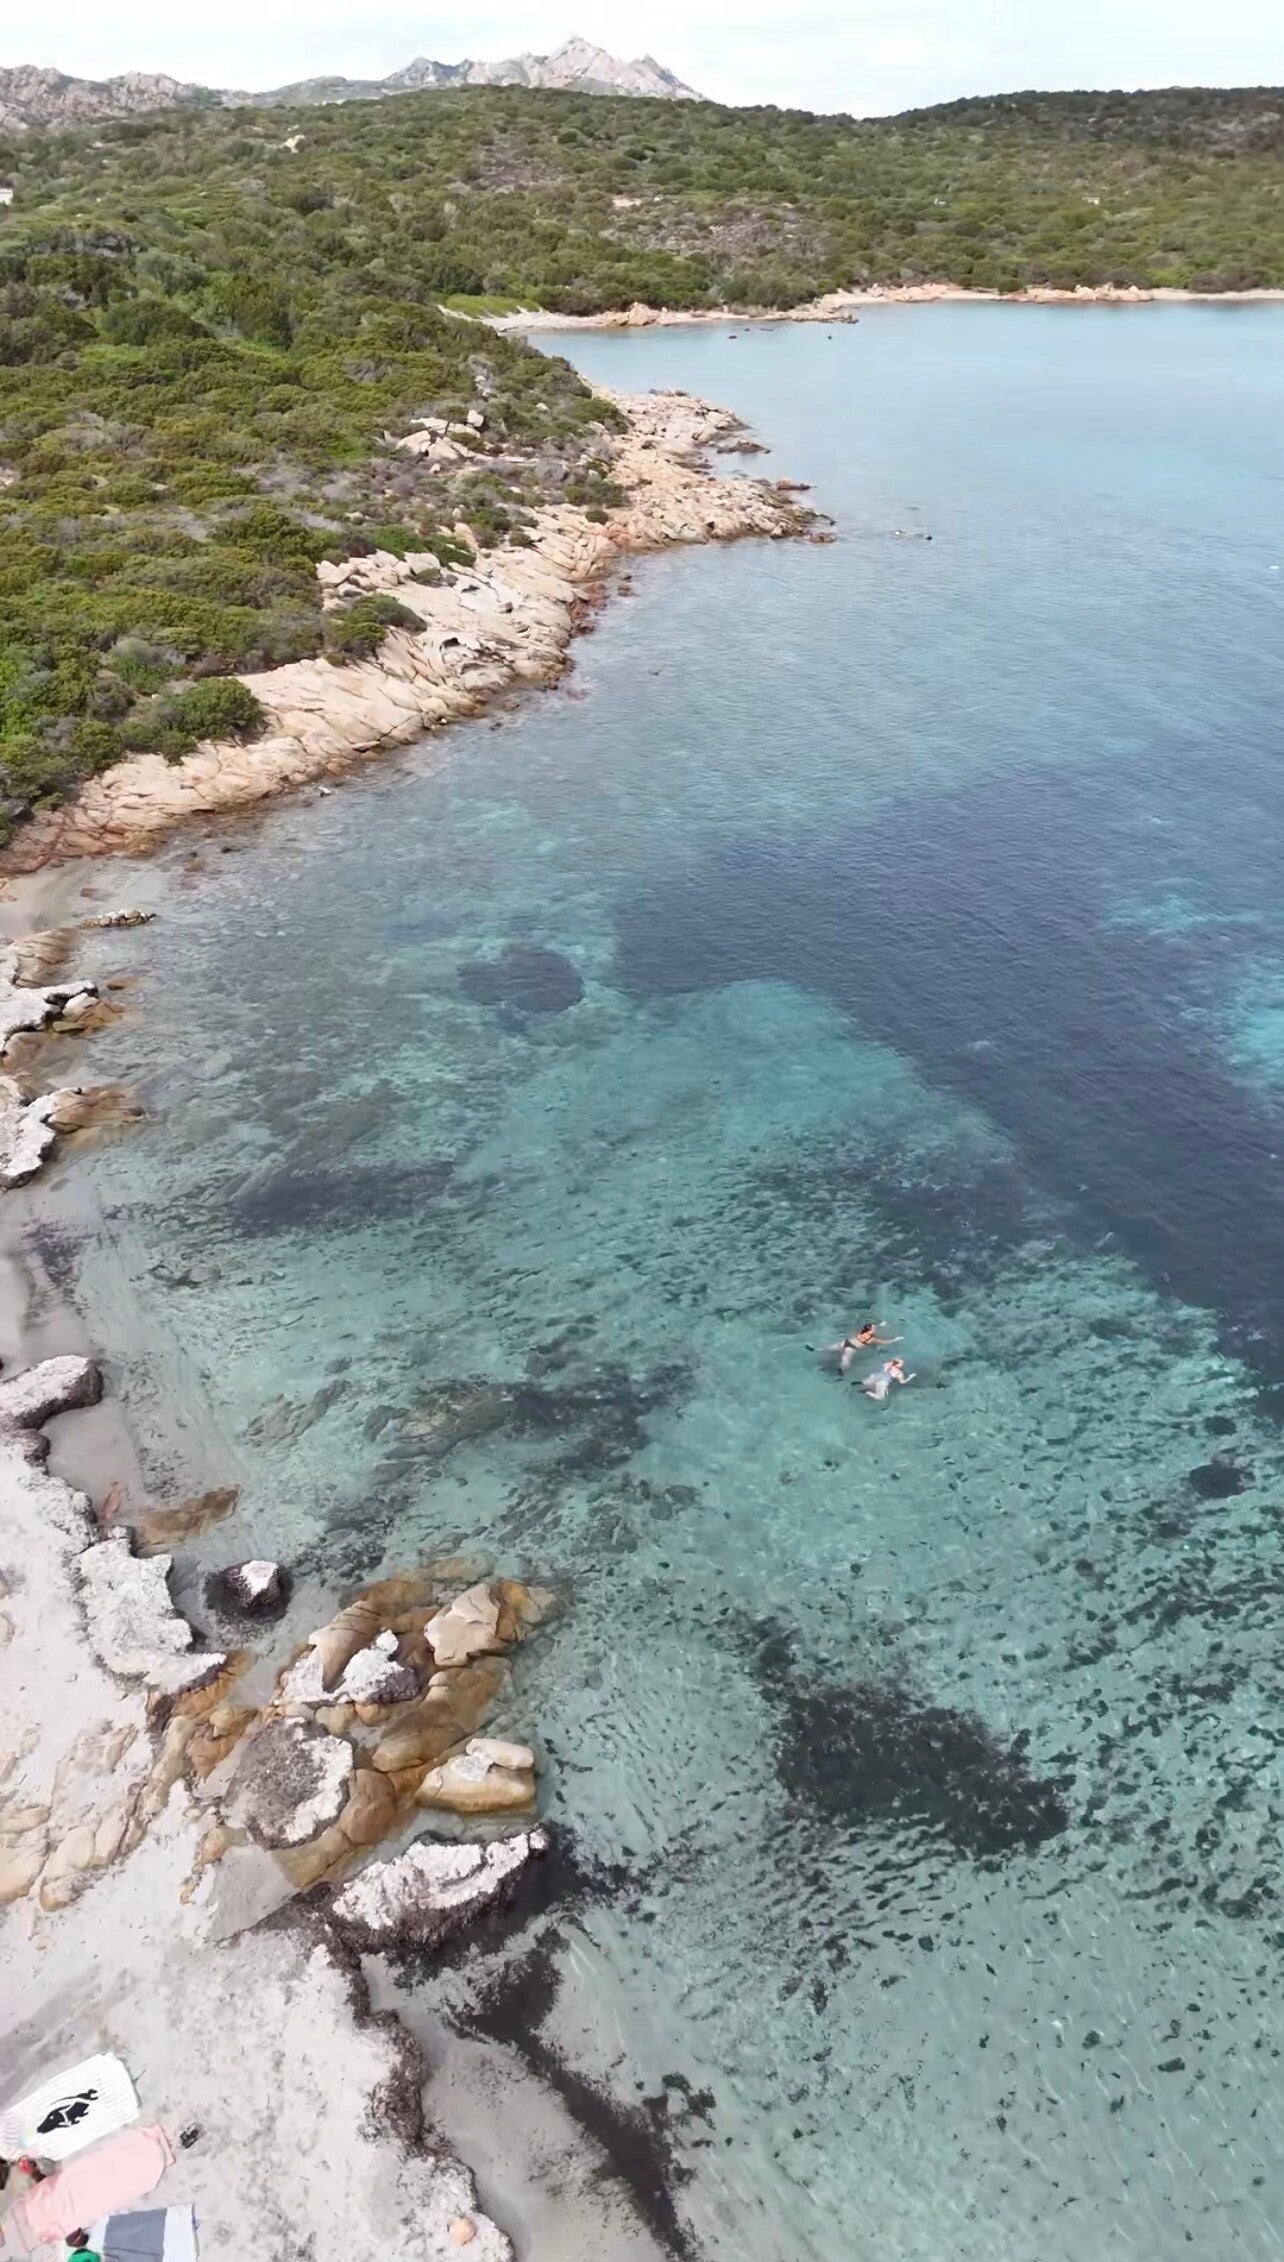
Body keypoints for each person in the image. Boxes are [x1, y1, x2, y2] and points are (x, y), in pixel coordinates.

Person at [829, 1322, 900, 1375]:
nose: (875, 1329)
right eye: (874, 1328)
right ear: (870, 1331)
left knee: (830, 1348)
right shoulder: (871, 1339)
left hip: (847, 1342)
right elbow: (885, 1342)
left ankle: (820, 1350)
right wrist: (895, 1340)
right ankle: (840, 1372)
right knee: (845, 1363)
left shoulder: (862, 1331)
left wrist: (880, 1325)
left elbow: (870, 1326)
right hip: (851, 1349)